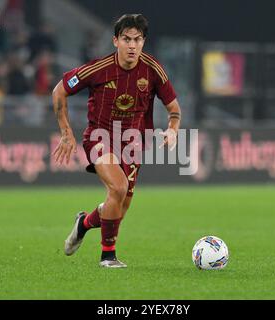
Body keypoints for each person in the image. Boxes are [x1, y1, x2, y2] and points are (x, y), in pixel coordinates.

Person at [51, 14, 181, 268]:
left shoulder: (153, 70)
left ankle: (84, 223)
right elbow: (59, 90)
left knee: (119, 208)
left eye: (137, 39)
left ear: (144, 42)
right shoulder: (99, 69)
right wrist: (67, 133)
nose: (132, 45)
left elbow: (174, 108)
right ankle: (108, 256)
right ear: (115, 41)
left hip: (134, 144)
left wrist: (173, 129)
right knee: (118, 189)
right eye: (126, 39)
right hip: (100, 138)